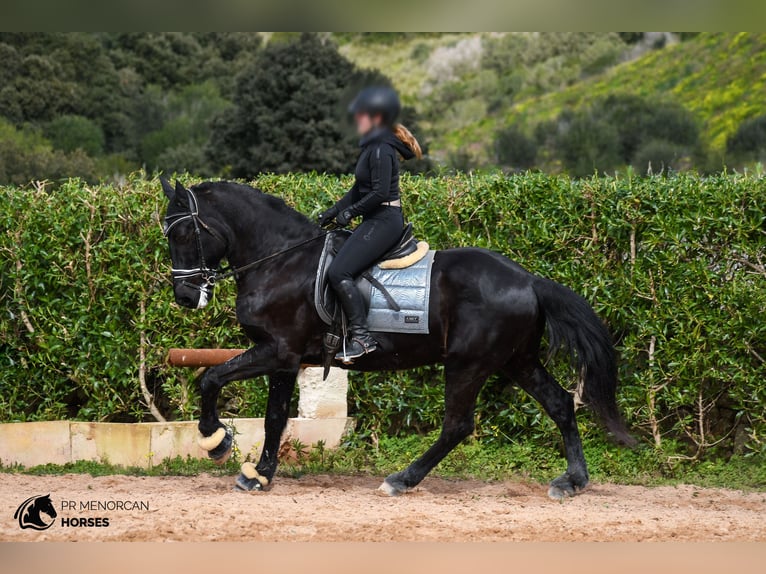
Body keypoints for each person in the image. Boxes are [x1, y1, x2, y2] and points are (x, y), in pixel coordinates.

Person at [318, 86, 423, 362]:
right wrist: (334, 211)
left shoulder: (381, 149)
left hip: (385, 220)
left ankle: (363, 339)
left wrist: (350, 213)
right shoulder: (372, 147)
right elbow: (358, 189)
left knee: (339, 271)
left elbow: (378, 194)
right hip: (375, 218)